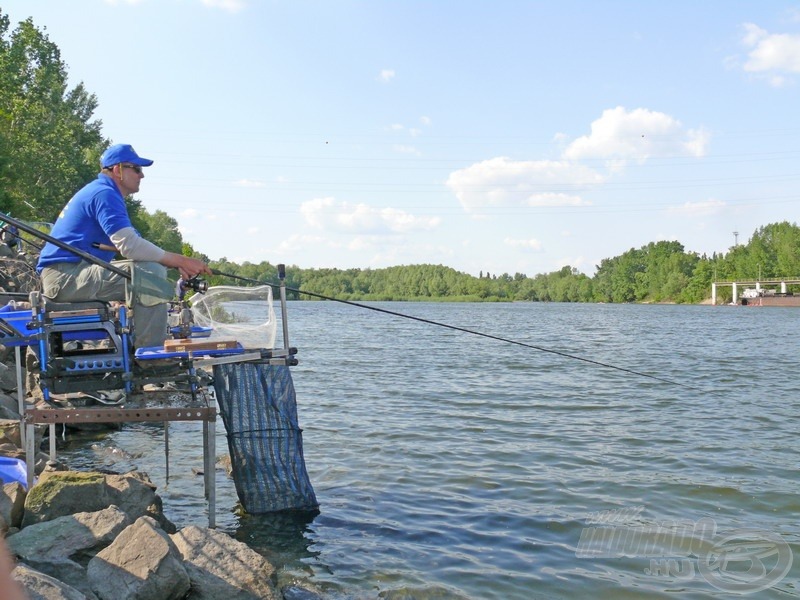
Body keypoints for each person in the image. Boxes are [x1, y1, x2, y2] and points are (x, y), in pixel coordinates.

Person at [36, 143, 212, 349]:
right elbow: (130, 246)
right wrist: (180, 260)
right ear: (118, 169)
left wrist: (177, 264)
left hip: (70, 275)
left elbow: (138, 245)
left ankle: (142, 347)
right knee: (151, 275)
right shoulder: (104, 193)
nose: (142, 175)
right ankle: (151, 357)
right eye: (136, 169)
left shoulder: (105, 193)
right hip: (65, 277)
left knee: (152, 268)